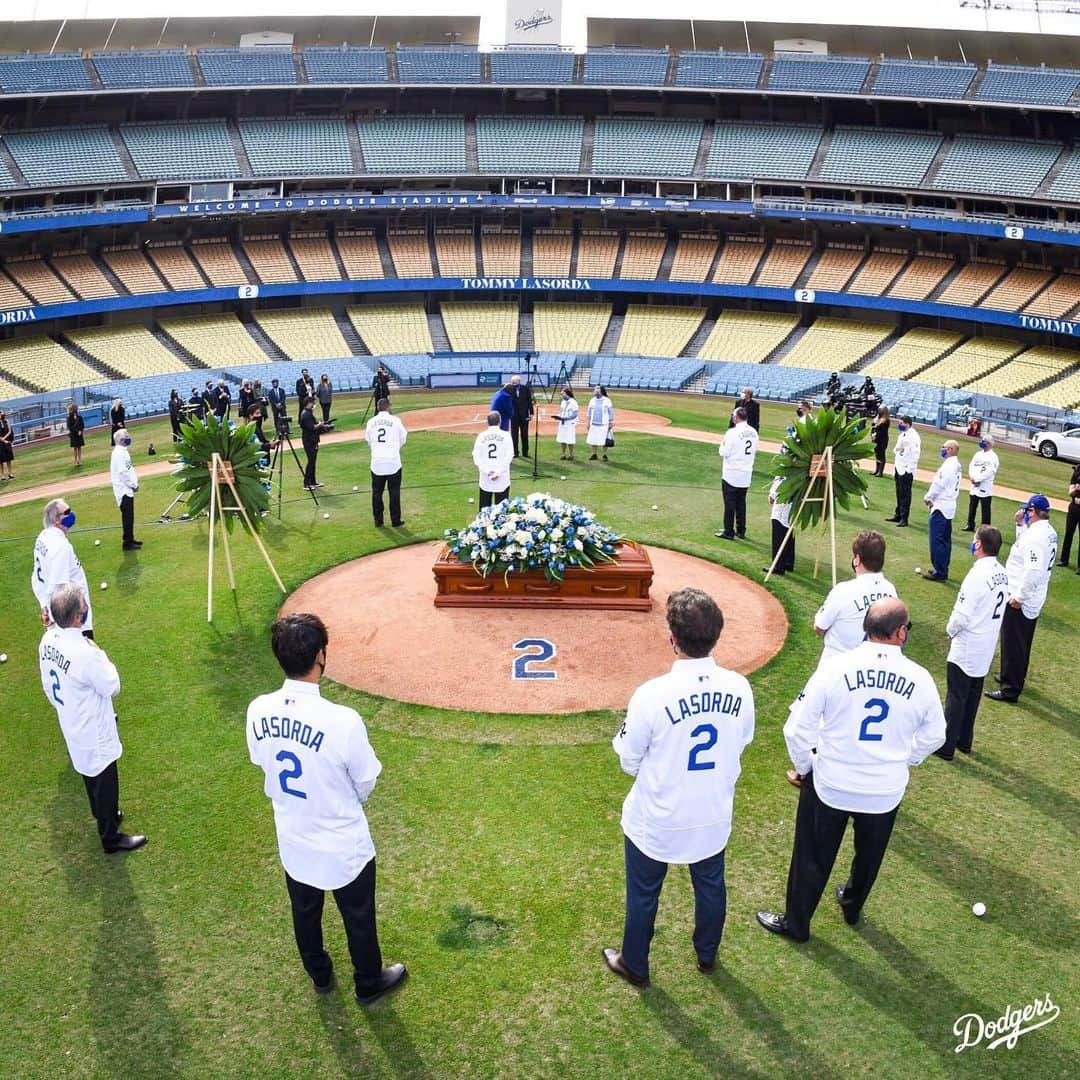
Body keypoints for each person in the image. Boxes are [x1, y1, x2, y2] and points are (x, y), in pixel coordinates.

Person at [757, 598, 945, 942]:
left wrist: (806, 768)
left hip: (831, 783)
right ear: (901, 632)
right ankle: (852, 905)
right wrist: (904, 759)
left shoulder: (834, 668)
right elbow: (936, 735)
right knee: (869, 857)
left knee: (811, 856)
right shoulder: (920, 679)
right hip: (884, 792)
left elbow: (795, 729)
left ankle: (797, 924)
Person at [246, 612, 406, 1003]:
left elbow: (260, 760)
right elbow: (365, 781)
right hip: (341, 842)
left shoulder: (257, 709)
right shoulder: (343, 721)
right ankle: (368, 982)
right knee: (358, 917)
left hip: (294, 836)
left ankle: (319, 974)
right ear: (320, 656)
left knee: (304, 912)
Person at [603, 588, 754, 987]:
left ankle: (635, 964)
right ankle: (706, 955)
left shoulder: (651, 695)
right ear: (716, 636)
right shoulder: (740, 687)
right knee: (710, 887)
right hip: (711, 814)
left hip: (657, 819)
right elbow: (743, 739)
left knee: (643, 894)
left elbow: (627, 758)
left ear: (673, 639)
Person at [38, 583, 147, 853]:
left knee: (88, 774)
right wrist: (98, 650)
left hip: (71, 721)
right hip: (93, 727)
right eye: (83, 605)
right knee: (105, 777)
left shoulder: (47, 640)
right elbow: (113, 685)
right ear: (77, 617)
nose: (87, 607)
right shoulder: (85, 653)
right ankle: (110, 836)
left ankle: (103, 814)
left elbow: (45, 683)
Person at [936, 525, 1008, 760]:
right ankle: (964, 740)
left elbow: (962, 615)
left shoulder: (977, 575)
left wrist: (950, 630)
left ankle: (947, 746)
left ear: (979, 544)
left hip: (968, 643)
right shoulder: (1002, 572)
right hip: (986, 643)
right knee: (973, 693)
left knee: (956, 695)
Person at [985, 495, 1058, 704]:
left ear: (1033, 511)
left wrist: (1020, 597)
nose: (1024, 514)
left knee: (1014, 641)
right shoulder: (1045, 532)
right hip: (1032, 595)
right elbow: (1023, 547)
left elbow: (1033, 570)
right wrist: (1019, 525)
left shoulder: (1036, 536)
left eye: (1027, 511)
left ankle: (1010, 688)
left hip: (1023, 596)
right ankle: (1012, 675)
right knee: (1020, 641)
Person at [810, 530, 896, 668]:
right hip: (871, 672)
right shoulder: (890, 591)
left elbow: (819, 627)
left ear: (857, 559)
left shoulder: (842, 591)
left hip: (836, 668)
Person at [32, 497, 95, 637]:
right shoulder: (61, 547)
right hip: (73, 620)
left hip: (57, 616)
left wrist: (45, 606)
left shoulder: (42, 538)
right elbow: (60, 589)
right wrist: (71, 619)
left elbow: (36, 578)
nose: (71, 514)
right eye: (67, 512)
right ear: (56, 519)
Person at [715, 406, 758, 540]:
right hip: (746, 473)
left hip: (731, 473)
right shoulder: (753, 432)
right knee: (741, 502)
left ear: (735, 417)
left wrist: (722, 445)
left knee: (729, 503)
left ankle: (728, 531)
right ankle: (741, 530)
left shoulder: (732, 433)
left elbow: (724, 452)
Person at [923, 439, 961, 581]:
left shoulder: (949, 466)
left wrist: (929, 497)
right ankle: (942, 568)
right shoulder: (956, 465)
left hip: (941, 505)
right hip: (949, 505)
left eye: (944, 448)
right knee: (945, 540)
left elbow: (939, 484)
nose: (942, 450)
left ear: (950, 449)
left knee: (936, 540)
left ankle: (940, 571)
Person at [365, 398, 407, 527]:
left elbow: (368, 439)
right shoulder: (395, 421)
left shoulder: (371, 422)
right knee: (394, 492)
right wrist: (395, 449)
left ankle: (378, 520)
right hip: (393, 462)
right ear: (388, 407)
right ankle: (395, 520)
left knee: (376, 492)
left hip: (377, 462)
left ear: (378, 407)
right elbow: (403, 438)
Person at [472, 410, 514, 508]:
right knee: (501, 513)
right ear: (499, 421)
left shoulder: (481, 436)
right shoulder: (506, 436)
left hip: (485, 480)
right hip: (502, 480)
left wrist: (487, 471)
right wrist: (498, 472)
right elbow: (509, 456)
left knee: (484, 511)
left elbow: (476, 457)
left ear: (488, 422)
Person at [886, 415, 920, 528]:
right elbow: (896, 449)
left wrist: (909, 469)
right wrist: (900, 450)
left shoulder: (914, 436)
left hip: (906, 469)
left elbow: (915, 454)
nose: (900, 425)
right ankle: (898, 514)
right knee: (899, 492)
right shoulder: (902, 435)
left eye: (902, 423)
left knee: (905, 494)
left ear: (908, 424)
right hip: (899, 466)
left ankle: (904, 518)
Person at [110, 428, 141, 551]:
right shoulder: (118, 453)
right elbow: (123, 473)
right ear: (122, 440)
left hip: (127, 489)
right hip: (123, 490)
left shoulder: (123, 451)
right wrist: (133, 485)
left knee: (130, 516)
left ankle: (130, 538)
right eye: (127, 436)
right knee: (127, 517)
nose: (129, 438)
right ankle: (127, 542)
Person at [963, 434, 1000, 531]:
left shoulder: (993, 457)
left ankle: (985, 528)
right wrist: (972, 478)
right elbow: (972, 466)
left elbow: (990, 471)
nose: (982, 442)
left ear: (989, 444)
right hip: (974, 484)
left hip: (985, 485)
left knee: (985, 508)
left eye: (984, 441)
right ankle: (970, 524)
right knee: (972, 506)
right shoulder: (978, 454)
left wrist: (978, 479)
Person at [766, 474, 795, 575]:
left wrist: (772, 495)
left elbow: (781, 481)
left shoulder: (787, 462)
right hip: (794, 503)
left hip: (783, 503)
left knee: (779, 533)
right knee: (789, 533)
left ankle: (778, 566)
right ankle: (788, 562)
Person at [300, 397, 330, 490]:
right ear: (308, 403)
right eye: (312, 403)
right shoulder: (306, 414)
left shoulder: (308, 413)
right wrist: (320, 425)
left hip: (312, 440)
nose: (313, 405)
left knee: (313, 462)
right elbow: (311, 427)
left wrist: (323, 425)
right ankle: (307, 483)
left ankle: (312, 481)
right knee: (311, 462)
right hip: (309, 441)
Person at [1060, 462, 1080, 574]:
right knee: (1068, 533)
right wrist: (1076, 489)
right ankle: (1064, 560)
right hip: (1073, 508)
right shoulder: (1077, 471)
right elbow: (1070, 492)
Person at [586, 386, 615, 462]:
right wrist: (588, 422)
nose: (596, 390)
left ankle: (604, 455)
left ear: (601, 391)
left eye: (598, 389)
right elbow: (589, 412)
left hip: (604, 424)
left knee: (604, 440)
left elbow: (611, 412)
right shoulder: (592, 400)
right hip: (594, 424)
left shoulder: (607, 400)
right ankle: (594, 454)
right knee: (593, 439)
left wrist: (611, 422)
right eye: (595, 389)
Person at [508, 373, 534, 457]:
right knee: (514, 435)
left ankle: (525, 453)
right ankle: (515, 452)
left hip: (524, 415)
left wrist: (531, 413)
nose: (513, 384)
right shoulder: (510, 389)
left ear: (519, 381)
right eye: (512, 382)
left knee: (525, 435)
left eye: (514, 382)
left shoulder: (525, 389)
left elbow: (529, 401)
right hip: (514, 416)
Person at [555, 387, 579, 462]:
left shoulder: (573, 402)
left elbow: (575, 414)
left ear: (567, 393)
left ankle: (571, 455)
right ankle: (563, 454)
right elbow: (562, 411)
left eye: (563, 394)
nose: (562, 395)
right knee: (562, 438)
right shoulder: (563, 402)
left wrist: (566, 418)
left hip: (570, 423)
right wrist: (558, 416)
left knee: (570, 439)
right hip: (562, 423)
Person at [871, 405, 890, 478]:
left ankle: (880, 471)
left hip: (882, 439)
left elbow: (883, 431)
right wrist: (872, 435)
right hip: (875, 439)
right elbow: (873, 427)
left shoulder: (885, 420)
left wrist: (876, 434)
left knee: (881, 455)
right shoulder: (876, 419)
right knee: (877, 454)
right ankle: (876, 470)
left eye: (880, 409)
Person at [0, 408, 14, 480]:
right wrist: (2, 440)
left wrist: (5, 439)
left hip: (7, 441)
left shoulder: (6, 421)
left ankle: (10, 473)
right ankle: (2, 475)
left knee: (9, 458)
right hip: (0, 443)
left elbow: (9, 431)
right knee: (1, 460)